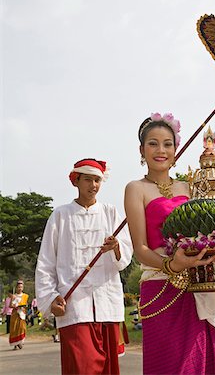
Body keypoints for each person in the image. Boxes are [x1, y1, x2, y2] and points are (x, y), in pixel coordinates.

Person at [124, 112, 215, 375]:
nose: (160, 150)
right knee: (171, 366)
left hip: (197, 285)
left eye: (167, 143)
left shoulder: (189, 188)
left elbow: (206, 238)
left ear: (176, 150)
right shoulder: (135, 189)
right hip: (158, 287)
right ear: (141, 150)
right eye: (152, 143)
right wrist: (171, 264)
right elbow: (140, 249)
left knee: (205, 362)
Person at [35, 158, 133, 375]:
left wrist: (116, 247)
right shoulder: (60, 215)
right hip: (74, 308)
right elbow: (46, 263)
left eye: (97, 180)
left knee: (108, 369)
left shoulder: (111, 213)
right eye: (87, 179)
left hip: (107, 305)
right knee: (81, 368)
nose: (93, 185)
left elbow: (125, 256)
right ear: (76, 181)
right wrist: (51, 298)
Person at [9, 280, 28, 350]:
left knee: (22, 328)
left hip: (22, 314)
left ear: (23, 288)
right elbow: (10, 305)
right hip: (15, 314)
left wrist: (23, 307)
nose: (20, 288)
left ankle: (20, 341)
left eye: (21, 287)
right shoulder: (14, 296)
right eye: (18, 287)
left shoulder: (25, 296)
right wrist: (15, 306)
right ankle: (15, 343)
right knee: (14, 329)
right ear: (16, 288)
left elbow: (26, 305)